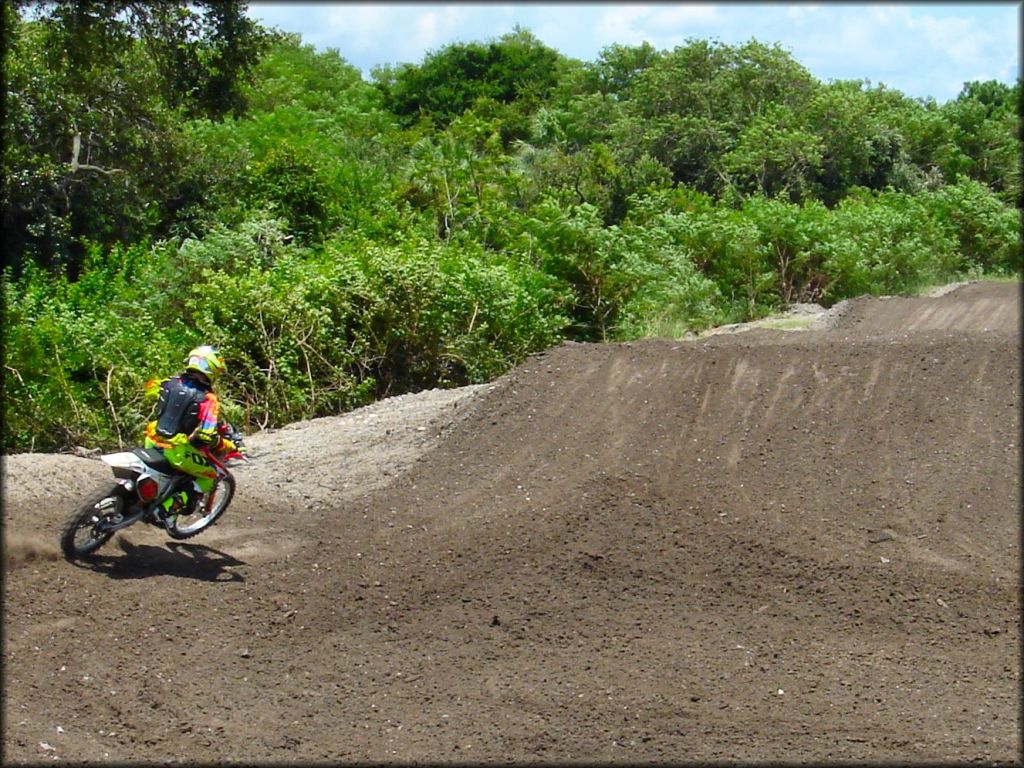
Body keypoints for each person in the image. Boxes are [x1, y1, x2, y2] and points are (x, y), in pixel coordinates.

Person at [143, 345, 242, 523]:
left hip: (151, 439)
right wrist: (224, 444)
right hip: (177, 451)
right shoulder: (208, 399)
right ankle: (166, 509)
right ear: (211, 369)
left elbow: (150, 389)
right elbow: (205, 435)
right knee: (211, 476)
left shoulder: (169, 382)